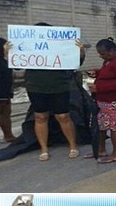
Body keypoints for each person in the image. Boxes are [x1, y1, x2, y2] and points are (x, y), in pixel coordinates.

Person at [23, 22, 82, 161]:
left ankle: (73, 145)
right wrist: (10, 53)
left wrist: (79, 51)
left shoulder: (59, 48)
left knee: (63, 116)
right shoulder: (27, 48)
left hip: (59, 86)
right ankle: (44, 148)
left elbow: (75, 64)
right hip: (35, 87)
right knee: (40, 117)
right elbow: (17, 66)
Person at [88, 38, 116, 164]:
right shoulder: (109, 60)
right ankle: (100, 150)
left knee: (114, 127)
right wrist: (97, 73)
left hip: (114, 100)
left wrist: (99, 87)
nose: (101, 56)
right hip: (103, 99)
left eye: (103, 54)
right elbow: (108, 73)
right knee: (102, 125)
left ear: (112, 51)